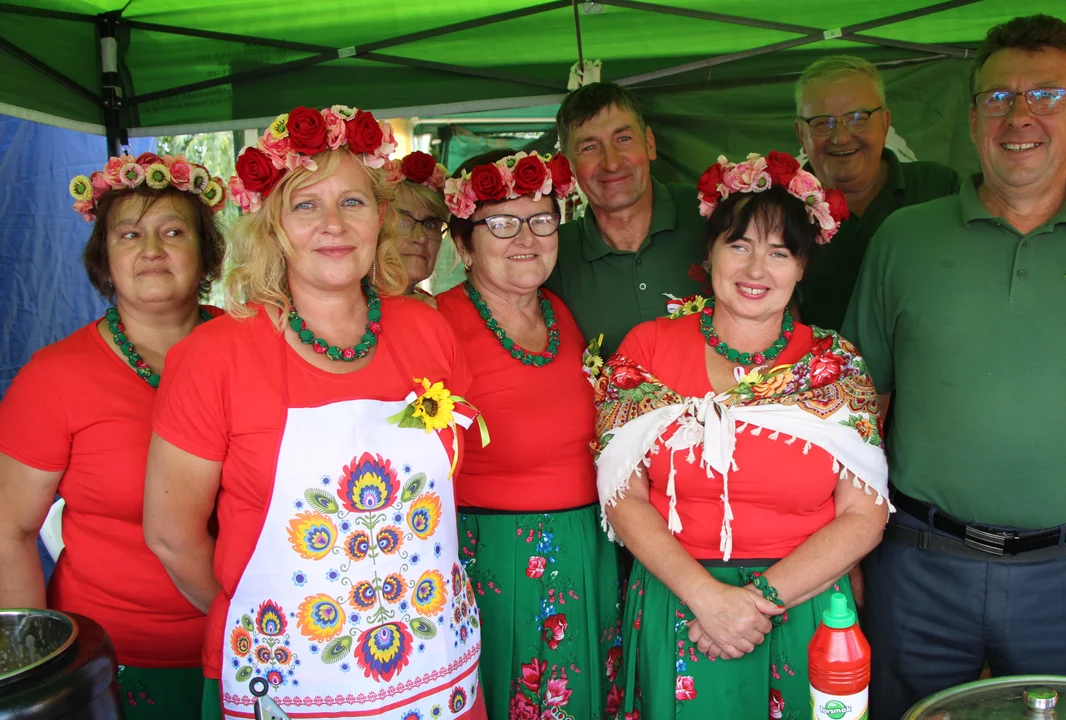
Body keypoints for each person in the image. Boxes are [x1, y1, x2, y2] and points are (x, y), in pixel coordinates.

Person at [842, 16, 1066, 719]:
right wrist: (846, 555)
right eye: (997, 97)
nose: (1018, 117)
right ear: (972, 111)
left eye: (1044, 95)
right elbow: (858, 408)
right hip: (919, 568)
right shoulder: (903, 239)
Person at [144, 105, 486, 720]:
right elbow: (171, 536)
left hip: (432, 670)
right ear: (273, 225)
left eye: (352, 202)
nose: (333, 224)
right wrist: (263, 606)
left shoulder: (426, 332)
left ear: (380, 217)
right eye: (306, 205)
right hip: (287, 672)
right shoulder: (213, 357)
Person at [596, 150, 889, 718]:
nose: (757, 270)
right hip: (679, 601)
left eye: (779, 253)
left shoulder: (835, 365)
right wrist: (707, 598)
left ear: (802, 267)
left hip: (798, 606)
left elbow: (864, 515)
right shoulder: (648, 350)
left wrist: (755, 603)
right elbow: (622, 496)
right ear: (710, 254)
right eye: (740, 245)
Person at [0, 151, 227, 718]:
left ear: (206, 256)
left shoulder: (256, 349)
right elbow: (11, 530)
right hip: (116, 659)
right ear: (105, 260)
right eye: (129, 234)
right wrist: (35, 673)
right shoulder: (55, 377)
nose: (151, 249)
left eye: (173, 231)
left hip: (267, 642)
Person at [435, 149, 623, 719]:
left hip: (585, 551)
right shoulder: (435, 324)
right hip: (491, 561)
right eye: (501, 223)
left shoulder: (562, 314)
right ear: (464, 244)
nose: (526, 237)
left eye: (541, 220)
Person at [794, 54, 1066, 332]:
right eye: (821, 123)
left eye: (858, 118)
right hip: (814, 403)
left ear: (885, 123)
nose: (841, 137)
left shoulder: (938, 187)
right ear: (800, 133)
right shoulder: (779, 208)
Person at [548, 82, 709, 359]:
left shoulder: (711, 213)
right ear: (567, 165)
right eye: (589, 147)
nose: (611, 163)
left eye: (623, 139)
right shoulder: (552, 254)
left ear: (649, 143)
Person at [384, 150, 450, 304]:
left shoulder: (437, 309)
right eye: (404, 220)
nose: (421, 237)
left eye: (431, 224)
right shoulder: (351, 310)